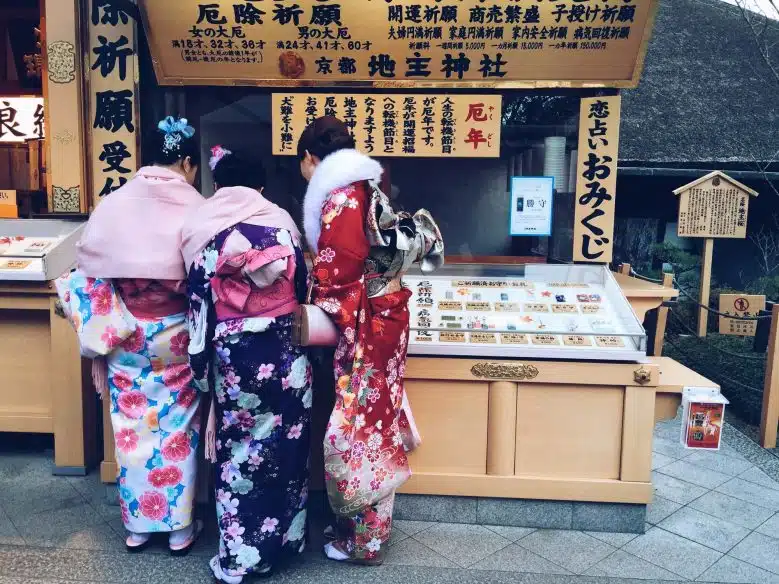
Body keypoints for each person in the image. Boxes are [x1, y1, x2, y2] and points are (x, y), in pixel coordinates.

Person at [55, 117, 205, 554]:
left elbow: (89, 265)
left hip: (127, 332)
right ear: (188, 162)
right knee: (177, 425)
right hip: (175, 333)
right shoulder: (196, 205)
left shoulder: (115, 203)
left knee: (132, 427)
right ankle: (179, 528)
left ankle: (138, 526)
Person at [298, 117, 444, 565]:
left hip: (366, 323)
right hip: (383, 318)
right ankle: (353, 521)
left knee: (361, 426)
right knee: (371, 416)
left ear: (309, 159)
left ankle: (366, 540)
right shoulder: (364, 187)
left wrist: (310, 290)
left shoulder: (342, 195)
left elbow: (337, 270)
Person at [181, 146, 312, 582]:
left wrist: (200, 370)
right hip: (288, 354)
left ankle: (241, 557)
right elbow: (304, 287)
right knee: (288, 447)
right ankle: (287, 540)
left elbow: (198, 305)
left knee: (241, 452)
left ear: (218, 186)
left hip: (237, 359)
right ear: (260, 186)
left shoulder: (206, 231)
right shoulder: (283, 226)